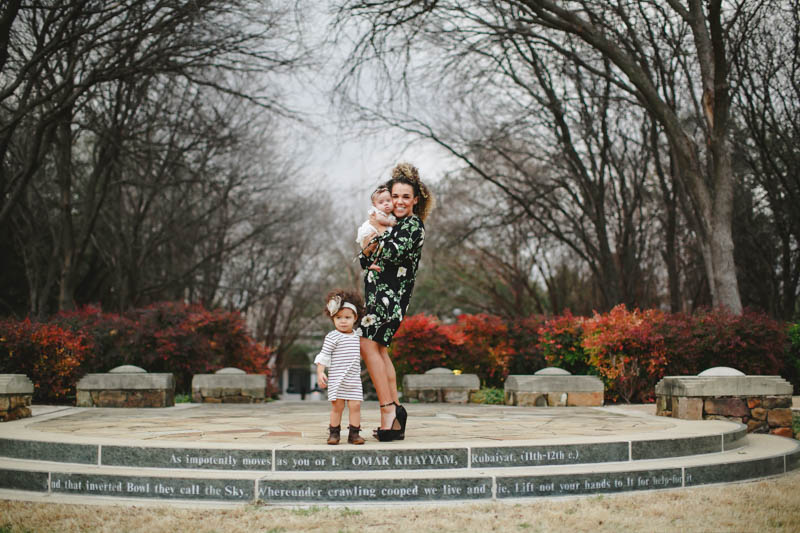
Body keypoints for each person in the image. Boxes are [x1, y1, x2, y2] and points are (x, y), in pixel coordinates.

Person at [359, 162, 434, 441]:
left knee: (367, 345)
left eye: (405, 197)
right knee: (378, 349)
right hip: (376, 296)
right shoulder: (394, 224)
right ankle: (394, 412)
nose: (399, 202)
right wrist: (373, 239)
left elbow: (387, 252)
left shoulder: (413, 226)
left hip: (390, 299)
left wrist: (374, 231)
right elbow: (365, 258)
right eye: (395, 197)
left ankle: (388, 409)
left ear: (415, 199)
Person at [314, 288, 366, 445]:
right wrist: (320, 372)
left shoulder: (359, 336)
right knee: (337, 407)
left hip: (353, 379)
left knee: (355, 406)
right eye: (338, 318)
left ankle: (354, 434)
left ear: (355, 318)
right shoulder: (332, 337)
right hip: (337, 379)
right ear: (333, 319)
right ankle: (334, 433)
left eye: (347, 317)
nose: (343, 321)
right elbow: (324, 356)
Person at [356, 185, 397, 250]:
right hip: (371, 232)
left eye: (388, 200)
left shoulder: (390, 214)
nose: (386, 204)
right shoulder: (377, 213)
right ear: (375, 205)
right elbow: (379, 219)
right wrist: (389, 222)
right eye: (381, 202)